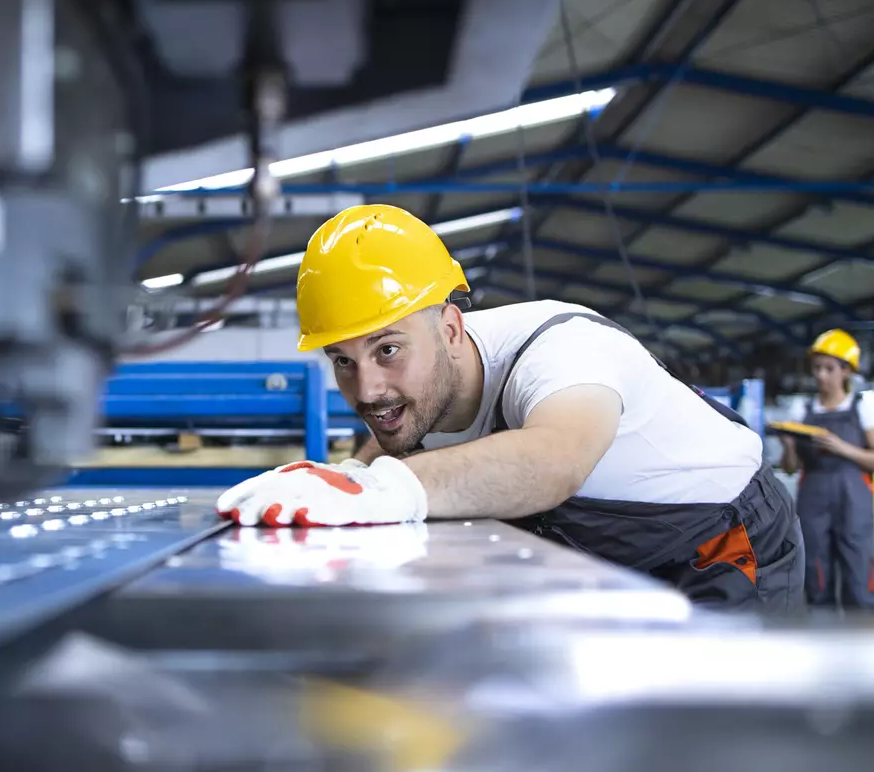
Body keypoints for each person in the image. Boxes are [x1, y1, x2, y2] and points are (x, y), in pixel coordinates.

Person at [217, 203, 804, 613]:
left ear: (450, 329)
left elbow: (555, 459)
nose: (367, 389)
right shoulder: (417, 391)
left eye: (387, 349)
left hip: (724, 543)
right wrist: (346, 480)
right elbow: (390, 441)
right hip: (609, 557)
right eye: (342, 361)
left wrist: (383, 489)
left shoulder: (561, 347)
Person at [778, 330, 873, 609]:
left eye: (829, 368)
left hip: (854, 502)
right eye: (817, 368)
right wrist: (789, 446)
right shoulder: (802, 409)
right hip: (813, 501)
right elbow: (791, 469)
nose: (821, 375)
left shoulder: (863, 407)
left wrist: (841, 447)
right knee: (817, 580)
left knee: (860, 579)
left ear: (846, 371)